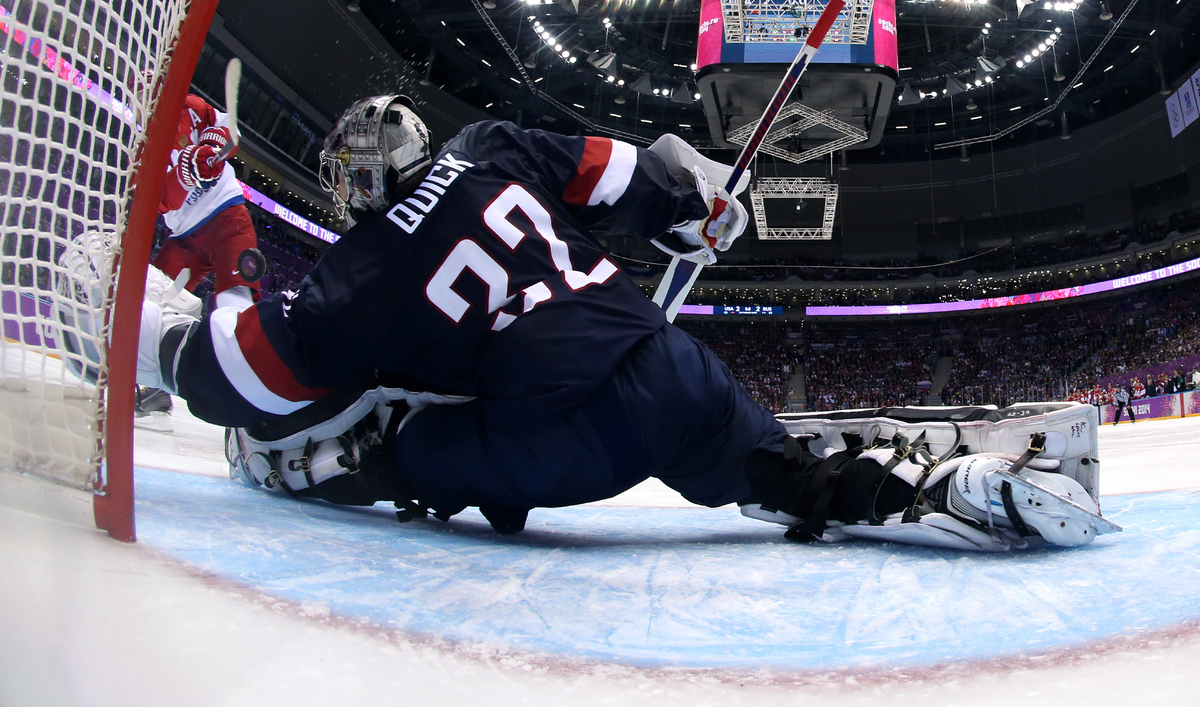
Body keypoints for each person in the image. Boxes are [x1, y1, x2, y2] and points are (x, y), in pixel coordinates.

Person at [132, 94, 1114, 551]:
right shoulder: (488, 148)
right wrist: (696, 211)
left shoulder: (354, 276)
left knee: (407, 439)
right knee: (778, 477)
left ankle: (376, 472)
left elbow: (251, 378)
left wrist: (170, 327)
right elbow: (635, 173)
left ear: (354, 184)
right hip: (668, 359)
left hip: (559, 434)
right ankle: (951, 491)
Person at [136, 89, 264, 420]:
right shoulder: (141, 143)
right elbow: (160, 201)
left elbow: (228, 130)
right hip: (185, 239)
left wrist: (211, 144)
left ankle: (247, 399)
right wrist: (188, 170)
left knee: (238, 307)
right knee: (153, 301)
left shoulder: (190, 106)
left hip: (227, 218)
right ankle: (153, 390)